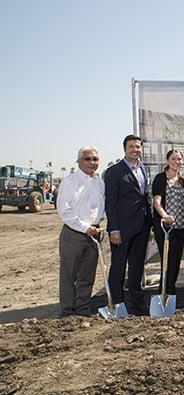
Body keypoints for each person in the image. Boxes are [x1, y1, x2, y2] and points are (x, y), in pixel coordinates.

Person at [104, 134, 153, 316]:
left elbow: (144, 196)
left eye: (138, 146)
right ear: (125, 149)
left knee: (137, 267)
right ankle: (117, 304)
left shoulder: (143, 169)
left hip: (142, 226)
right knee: (118, 267)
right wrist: (114, 229)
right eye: (131, 146)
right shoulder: (114, 171)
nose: (135, 150)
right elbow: (111, 202)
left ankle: (138, 304)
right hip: (122, 229)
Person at [56, 146, 104, 317]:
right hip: (74, 234)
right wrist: (85, 227)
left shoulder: (99, 182)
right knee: (69, 276)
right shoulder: (69, 182)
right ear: (79, 162)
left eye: (95, 159)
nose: (92, 163)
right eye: (88, 159)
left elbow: (100, 207)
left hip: (94, 235)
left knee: (87, 276)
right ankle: (67, 313)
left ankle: (83, 310)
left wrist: (98, 225)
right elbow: (64, 210)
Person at [151, 149, 184, 301]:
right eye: (173, 159)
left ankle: (170, 295)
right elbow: (156, 202)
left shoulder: (182, 180)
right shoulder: (161, 179)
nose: (176, 162)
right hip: (166, 229)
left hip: (180, 228)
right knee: (168, 263)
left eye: (179, 159)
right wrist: (165, 216)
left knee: (176, 264)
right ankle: (165, 295)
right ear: (167, 161)